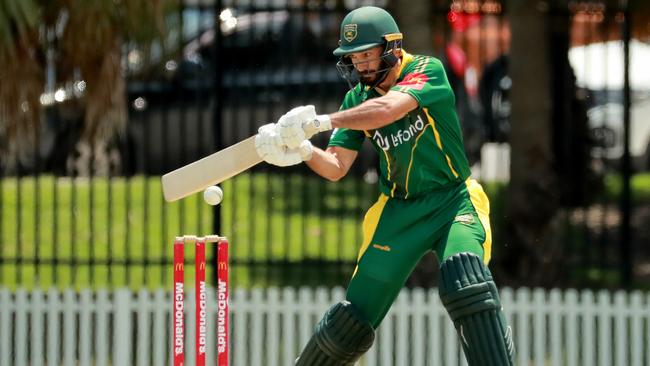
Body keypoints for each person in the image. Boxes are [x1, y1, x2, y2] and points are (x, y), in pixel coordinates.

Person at [254, 6, 515, 365]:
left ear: (391, 46)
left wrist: (321, 120)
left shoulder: (427, 70)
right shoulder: (356, 99)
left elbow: (390, 109)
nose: (359, 64)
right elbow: (335, 166)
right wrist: (301, 150)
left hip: (453, 201)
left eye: (366, 53)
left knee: (465, 278)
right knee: (349, 320)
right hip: (398, 212)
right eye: (353, 57)